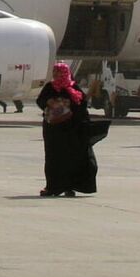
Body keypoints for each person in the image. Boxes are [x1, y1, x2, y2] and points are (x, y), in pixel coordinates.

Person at [37, 62, 96, 197]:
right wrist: (50, 102)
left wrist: (68, 108)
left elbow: (82, 105)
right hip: (53, 130)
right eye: (54, 72)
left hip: (69, 130)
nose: (55, 74)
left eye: (58, 72)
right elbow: (40, 100)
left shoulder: (73, 87)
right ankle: (52, 187)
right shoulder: (50, 87)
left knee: (70, 158)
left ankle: (69, 186)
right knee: (53, 157)